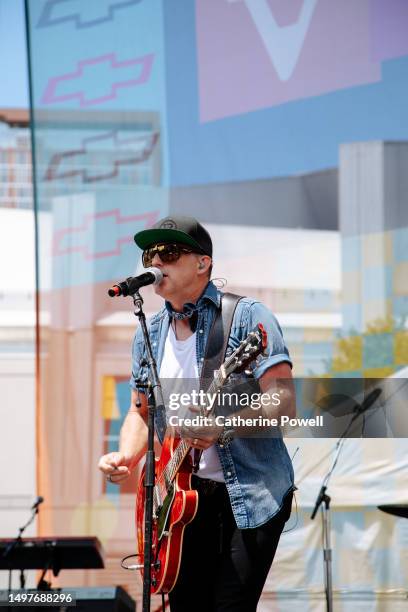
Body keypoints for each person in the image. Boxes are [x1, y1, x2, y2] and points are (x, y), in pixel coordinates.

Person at [98, 216, 295, 612]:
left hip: (249, 492)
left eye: (168, 253)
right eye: (150, 254)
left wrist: (223, 427)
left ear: (203, 263)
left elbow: (284, 400)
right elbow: (140, 412)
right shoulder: (148, 332)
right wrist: (127, 456)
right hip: (180, 501)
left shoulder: (244, 316)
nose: (156, 262)